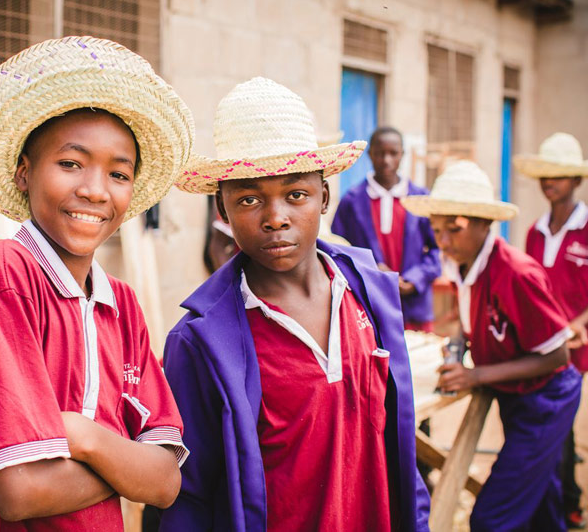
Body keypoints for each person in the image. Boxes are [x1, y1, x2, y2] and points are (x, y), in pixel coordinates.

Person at [0, 36, 194, 530]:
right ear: (23, 172)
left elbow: (165, 483)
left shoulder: (120, 303)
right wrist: (124, 459)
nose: (94, 190)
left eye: (118, 173)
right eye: (71, 163)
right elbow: (18, 492)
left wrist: (84, 436)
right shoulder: (4, 273)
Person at [160, 77, 430, 532]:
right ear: (222, 212)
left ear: (324, 197)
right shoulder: (201, 343)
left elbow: (400, 446)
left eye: (296, 194)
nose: (276, 217)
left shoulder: (369, 292)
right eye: (248, 199)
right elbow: (190, 495)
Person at [403, 160, 581, 532]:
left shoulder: (517, 273)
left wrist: (475, 373)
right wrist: (457, 346)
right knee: (540, 497)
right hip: (512, 392)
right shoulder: (460, 263)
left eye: (455, 229)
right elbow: (469, 322)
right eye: (437, 231)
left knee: (492, 517)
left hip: (545, 399)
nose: (445, 241)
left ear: (485, 224)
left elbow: (557, 354)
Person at [515, 132, 588, 529]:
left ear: (576, 180)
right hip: (540, 347)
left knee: (560, 428)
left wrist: (578, 323)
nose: (549, 182)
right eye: (544, 175)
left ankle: (566, 507)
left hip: (575, 350)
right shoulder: (534, 231)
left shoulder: (587, 226)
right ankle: (559, 504)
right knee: (552, 430)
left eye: (558, 175)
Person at [332, 126, 440, 332]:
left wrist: (415, 279)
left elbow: (438, 250)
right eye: (380, 153)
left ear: (403, 155)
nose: (386, 160)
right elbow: (336, 250)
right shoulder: (352, 201)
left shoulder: (422, 199)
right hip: (368, 305)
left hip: (414, 308)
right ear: (370, 154)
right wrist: (370, 267)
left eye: (393, 153)